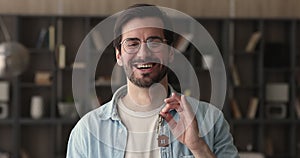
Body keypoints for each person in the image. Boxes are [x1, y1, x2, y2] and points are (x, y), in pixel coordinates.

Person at [67, 4, 239, 158]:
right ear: (119, 55)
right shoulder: (87, 131)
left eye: (155, 42)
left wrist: (198, 147)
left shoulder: (210, 120)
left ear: (171, 52)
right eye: (132, 44)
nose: (143, 54)